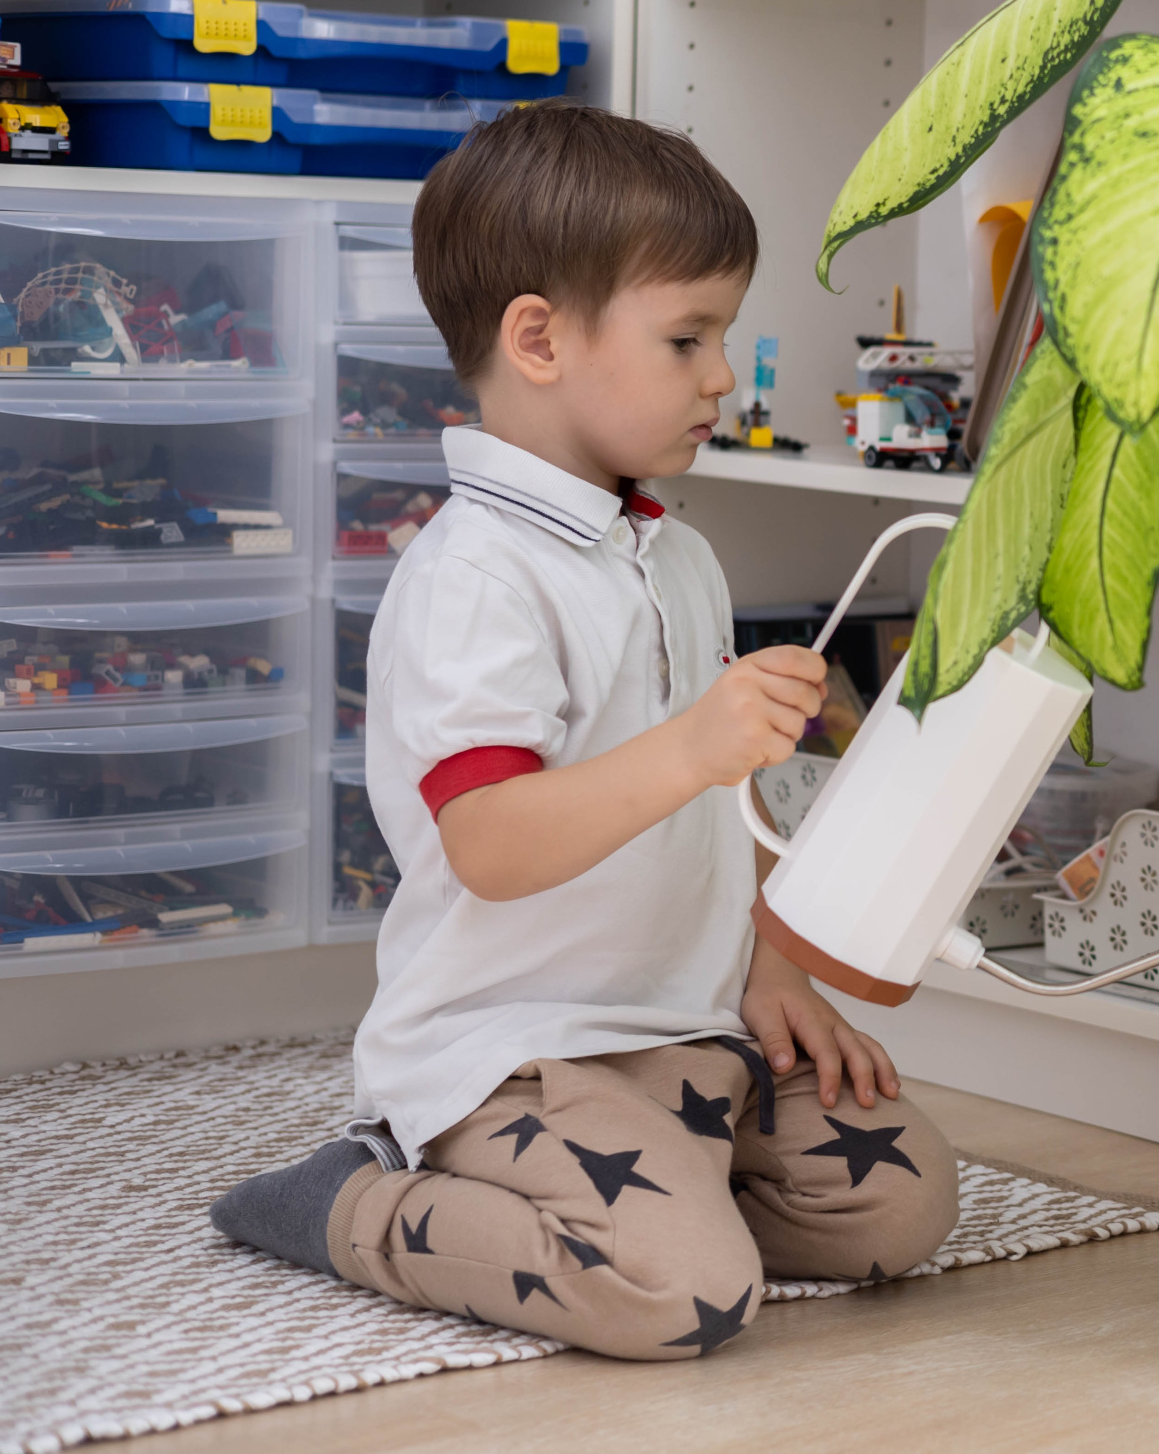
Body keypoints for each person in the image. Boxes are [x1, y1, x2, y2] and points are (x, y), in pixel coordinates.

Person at [210, 102, 958, 1359]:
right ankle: (348, 1200)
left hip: (686, 1031)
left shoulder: (680, 555)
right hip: (516, 1055)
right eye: (687, 337)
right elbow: (493, 844)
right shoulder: (474, 579)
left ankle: (659, 1181)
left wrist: (776, 967)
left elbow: (735, 811)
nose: (722, 374)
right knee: (685, 1297)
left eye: (720, 334)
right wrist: (693, 745)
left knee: (901, 1203)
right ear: (540, 339)